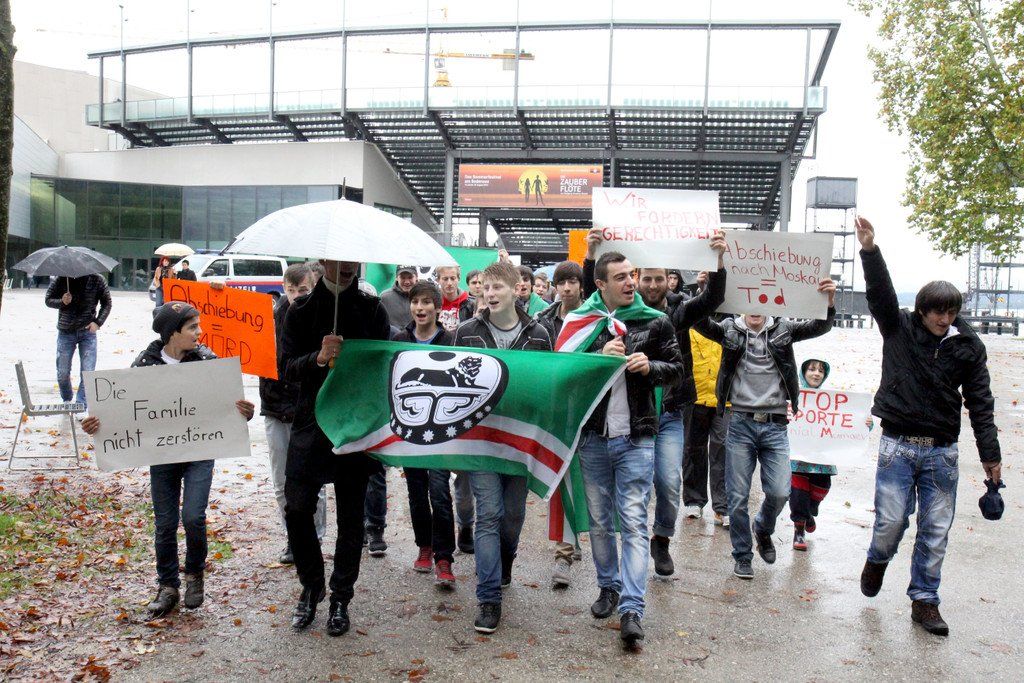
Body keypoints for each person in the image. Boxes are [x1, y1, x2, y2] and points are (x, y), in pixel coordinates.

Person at [855, 216, 1001, 637]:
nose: (944, 317)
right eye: (937, 311)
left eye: (951, 311)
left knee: (935, 530)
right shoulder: (897, 327)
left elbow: (980, 402)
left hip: (942, 450)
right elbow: (880, 292)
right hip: (897, 445)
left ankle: (925, 600)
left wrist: (990, 456)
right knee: (891, 523)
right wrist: (869, 249)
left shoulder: (968, 347)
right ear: (922, 310)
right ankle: (878, 559)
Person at [81, 303, 256, 617]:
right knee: (164, 523)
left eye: (198, 326)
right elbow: (123, 408)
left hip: (199, 452)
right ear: (172, 333)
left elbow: (227, 406)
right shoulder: (145, 364)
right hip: (162, 455)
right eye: (192, 327)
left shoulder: (207, 361)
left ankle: (194, 574)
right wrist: (97, 424)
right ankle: (167, 586)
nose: (199, 332)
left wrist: (245, 412)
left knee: (193, 516)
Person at [569, 246, 684, 649]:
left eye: (631, 275)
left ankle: (632, 609)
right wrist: (597, 358)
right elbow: (564, 372)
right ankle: (608, 586)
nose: (631, 282)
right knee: (600, 521)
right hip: (594, 440)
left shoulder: (655, 321)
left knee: (634, 522)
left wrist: (650, 367)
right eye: (620, 277)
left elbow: (677, 370)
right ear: (600, 284)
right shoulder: (582, 323)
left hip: (638, 437)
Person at [695, 280, 836, 581]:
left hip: (775, 425)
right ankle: (742, 555)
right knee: (737, 497)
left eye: (761, 302)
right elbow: (698, 321)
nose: (755, 308)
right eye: (748, 301)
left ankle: (763, 527)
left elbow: (820, 326)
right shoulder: (729, 330)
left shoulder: (784, 329)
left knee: (780, 491)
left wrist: (828, 301)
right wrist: (706, 292)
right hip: (740, 423)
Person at [280, 259, 391, 637]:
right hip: (310, 426)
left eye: (353, 260)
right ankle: (311, 586)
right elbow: (286, 367)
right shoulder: (299, 310)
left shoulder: (372, 309)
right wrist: (319, 357)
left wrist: (353, 365)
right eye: (339, 260)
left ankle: (341, 596)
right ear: (325, 260)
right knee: (297, 508)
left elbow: (384, 366)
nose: (348, 266)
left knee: (351, 517)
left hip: (353, 425)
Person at [453, 261, 551, 634]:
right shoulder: (466, 332)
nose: (490, 293)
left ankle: (504, 560)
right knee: (489, 515)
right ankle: (488, 597)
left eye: (498, 287)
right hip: (481, 440)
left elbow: (547, 384)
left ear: (516, 289)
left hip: (521, 440)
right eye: (486, 287)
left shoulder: (539, 333)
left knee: (512, 517)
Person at [632, 241, 727, 578]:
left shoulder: (680, 311)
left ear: (668, 280)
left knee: (669, 481)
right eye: (647, 279)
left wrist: (718, 263)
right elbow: (591, 294)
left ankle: (662, 539)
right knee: (636, 484)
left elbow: (712, 299)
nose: (653, 285)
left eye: (659, 278)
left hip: (671, 411)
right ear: (637, 279)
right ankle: (634, 545)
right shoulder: (624, 310)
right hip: (635, 412)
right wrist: (589, 258)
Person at [392, 281, 458, 588]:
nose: (420, 308)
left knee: (440, 493)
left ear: (437, 307)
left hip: (441, 430)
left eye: (426, 302)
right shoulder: (399, 339)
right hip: (410, 429)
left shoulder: (451, 340)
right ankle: (425, 546)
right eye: (415, 302)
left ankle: (444, 557)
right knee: (416, 492)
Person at [259, 263, 325, 565]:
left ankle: (316, 537)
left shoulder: (321, 318)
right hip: (275, 406)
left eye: (303, 290)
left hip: (307, 410)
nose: (297, 295)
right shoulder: (268, 318)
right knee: (280, 481)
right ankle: (293, 538)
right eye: (291, 289)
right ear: (284, 288)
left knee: (312, 479)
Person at [534, 260, 585, 587]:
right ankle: (564, 552)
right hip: (555, 411)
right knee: (562, 476)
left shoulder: (596, 319)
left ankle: (576, 536)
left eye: (572, 282)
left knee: (587, 480)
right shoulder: (541, 321)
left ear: (581, 285)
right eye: (561, 282)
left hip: (588, 410)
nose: (566, 288)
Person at [683, 324, 730, 528]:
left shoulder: (732, 325)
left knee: (723, 449)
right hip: (694, 396)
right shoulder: (692, 322)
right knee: (693, 448)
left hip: (724, 400)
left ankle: (723, 506)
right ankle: (694, 500)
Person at [45, 273, 112, 413]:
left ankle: (81, 405)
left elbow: (107, 303)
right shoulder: (63, 278)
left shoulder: (97, 280)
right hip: (65, 331)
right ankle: (67, 398)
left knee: (88, 372)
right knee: (62, 372)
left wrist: (98, 322)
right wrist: (62, 301)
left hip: (87, 332)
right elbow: (48, 299)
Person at [437, 265, 476, 332]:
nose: (449, 283)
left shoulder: (470, 304)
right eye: (445, 279)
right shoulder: (433, 304)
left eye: (453, 278)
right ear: (438, 280)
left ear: (458, 279)